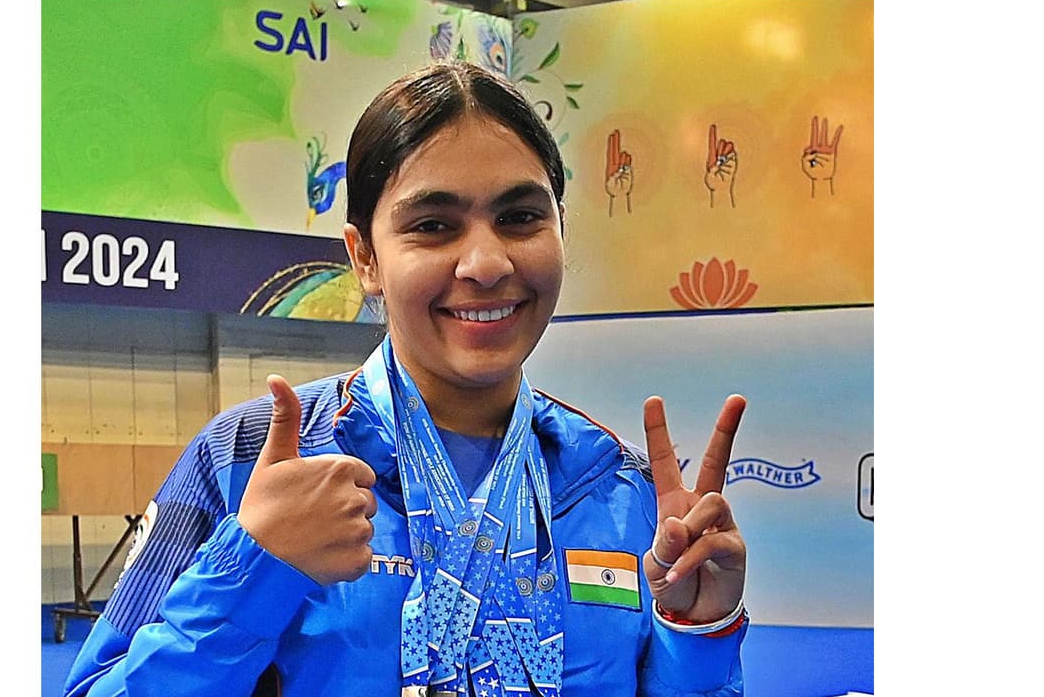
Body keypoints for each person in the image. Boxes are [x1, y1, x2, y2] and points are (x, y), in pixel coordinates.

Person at [63, 61, 750, 697]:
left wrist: (695, 637)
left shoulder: (613, 483)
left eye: (519, 217)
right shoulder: (246, 461)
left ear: (560, 231)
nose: (486, 263)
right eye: (433, 225)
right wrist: (253, 571)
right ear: (365, 258)